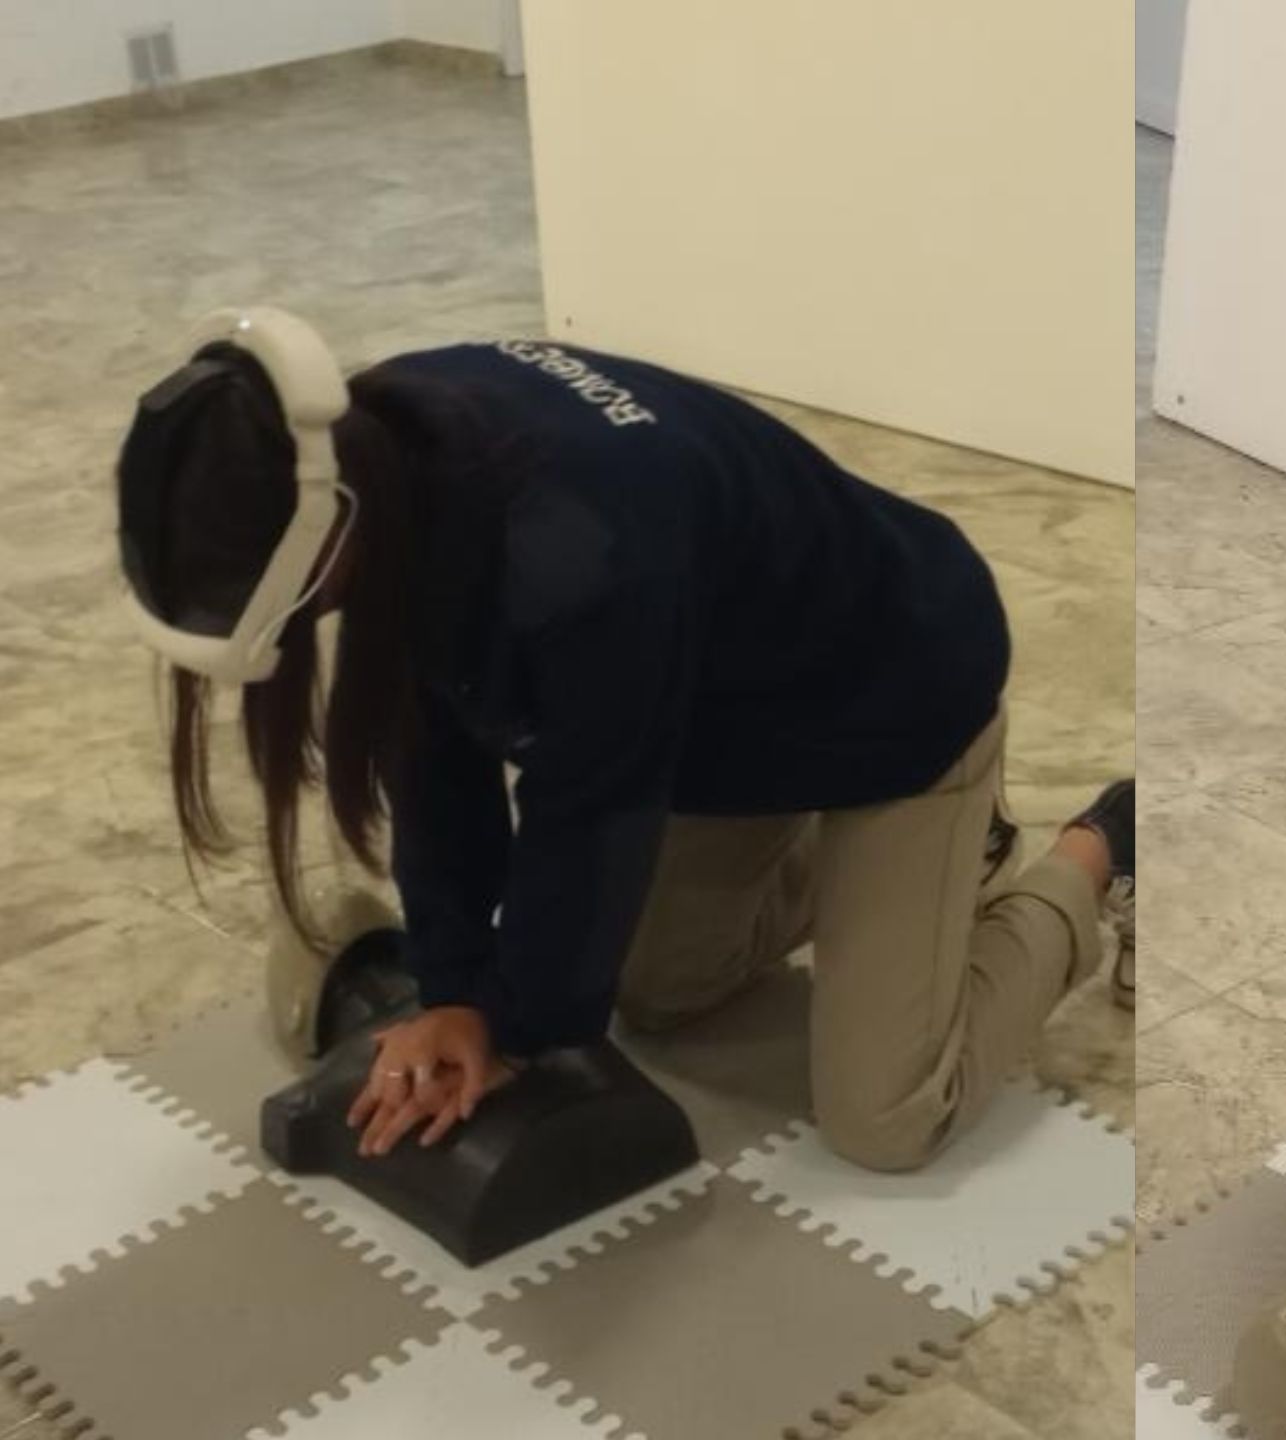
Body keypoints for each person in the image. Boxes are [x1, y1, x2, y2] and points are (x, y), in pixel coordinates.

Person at [116, 307, 1136, 1172]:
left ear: (324, 519)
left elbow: (588, 809)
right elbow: (436, 753)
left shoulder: (578, 557)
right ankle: (938, 872)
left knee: (888, 1118)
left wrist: (506, 1026)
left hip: (899, 686)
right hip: (721, 712)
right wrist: (456, 988)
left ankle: (1101, 849)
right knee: (658, 991)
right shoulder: (372, 441)